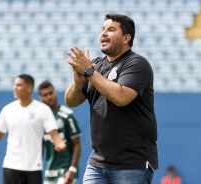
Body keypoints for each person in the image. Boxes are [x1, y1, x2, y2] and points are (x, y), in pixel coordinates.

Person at [65, 13, 158, 184]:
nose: (104, 33)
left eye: (111, 29)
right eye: (103, 29)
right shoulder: (96, 64)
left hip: (131, 164)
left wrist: (89, 73)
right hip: (97, 163)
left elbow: (120, 97)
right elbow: (71, 101)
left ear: (126, 38)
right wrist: (78, 84)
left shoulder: (137, 63)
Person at [0, 74, 66, 184]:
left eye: (19, 85)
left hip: (33, 167)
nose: (14, 87)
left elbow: (54, 134)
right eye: (14, 84)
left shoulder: (43, 110)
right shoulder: (8, 110)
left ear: (29, 88)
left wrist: (59, 143)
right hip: (11, 166)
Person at [38, 80, 82, 184]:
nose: (49, 97)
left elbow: (77, 144)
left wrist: (72, 169)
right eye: (45, 95)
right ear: (41, 98)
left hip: (66, 170)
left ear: (56, 92)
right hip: (50, 171)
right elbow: (41, 147)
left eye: (51, 93)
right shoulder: (41, 119)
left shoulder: (67, 115)